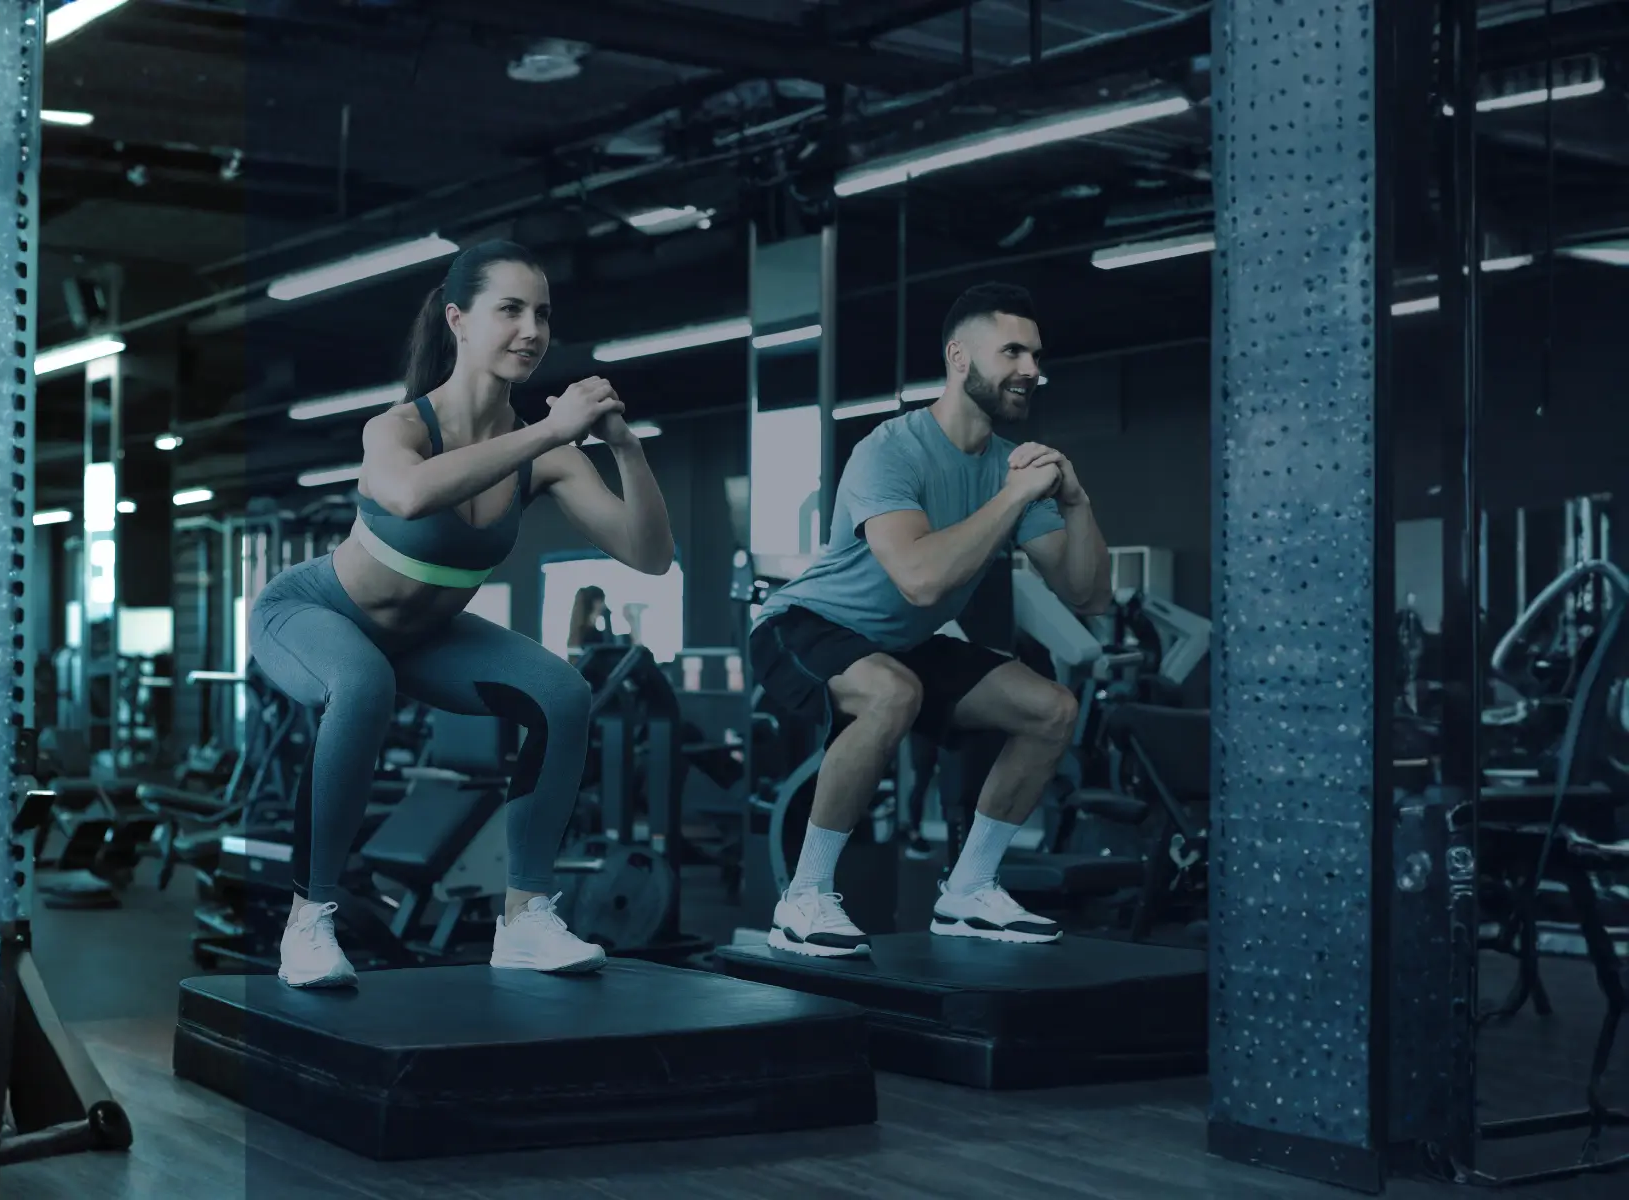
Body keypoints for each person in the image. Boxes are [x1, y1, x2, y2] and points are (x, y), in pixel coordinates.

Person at [250, 240, 676, 988]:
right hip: (316, 613)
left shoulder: (550, 457)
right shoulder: (400, 428)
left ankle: (525, 920)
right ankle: (308, 922)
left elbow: (649, 556)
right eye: (509, 309)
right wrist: (548, 429)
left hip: (424, 638)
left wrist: (627, 451)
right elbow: (410, 496)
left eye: (542, 313)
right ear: (458, 320)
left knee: (563, 694)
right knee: (362, 682)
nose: (531, 330)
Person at [749, 282, 1112, 956]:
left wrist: (1077, 500)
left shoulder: (1012, 466)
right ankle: (803, 898)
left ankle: (969, 891)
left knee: (1052, 709)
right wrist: (1013, 497)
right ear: (959, 358)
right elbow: (920, 580)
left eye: (1035, 354)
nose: (1031, 368)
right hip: (803, 626)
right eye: (1012, 351)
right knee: (892, 694)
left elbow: (1087, 594)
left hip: (902, 641)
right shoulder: (891, 450)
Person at [566, 585, 614, 656]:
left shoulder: (578, 633)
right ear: (596, 603)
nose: (604, 605)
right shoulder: (591, 635)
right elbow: (610, 647)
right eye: (602, 601)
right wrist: (607, 617)